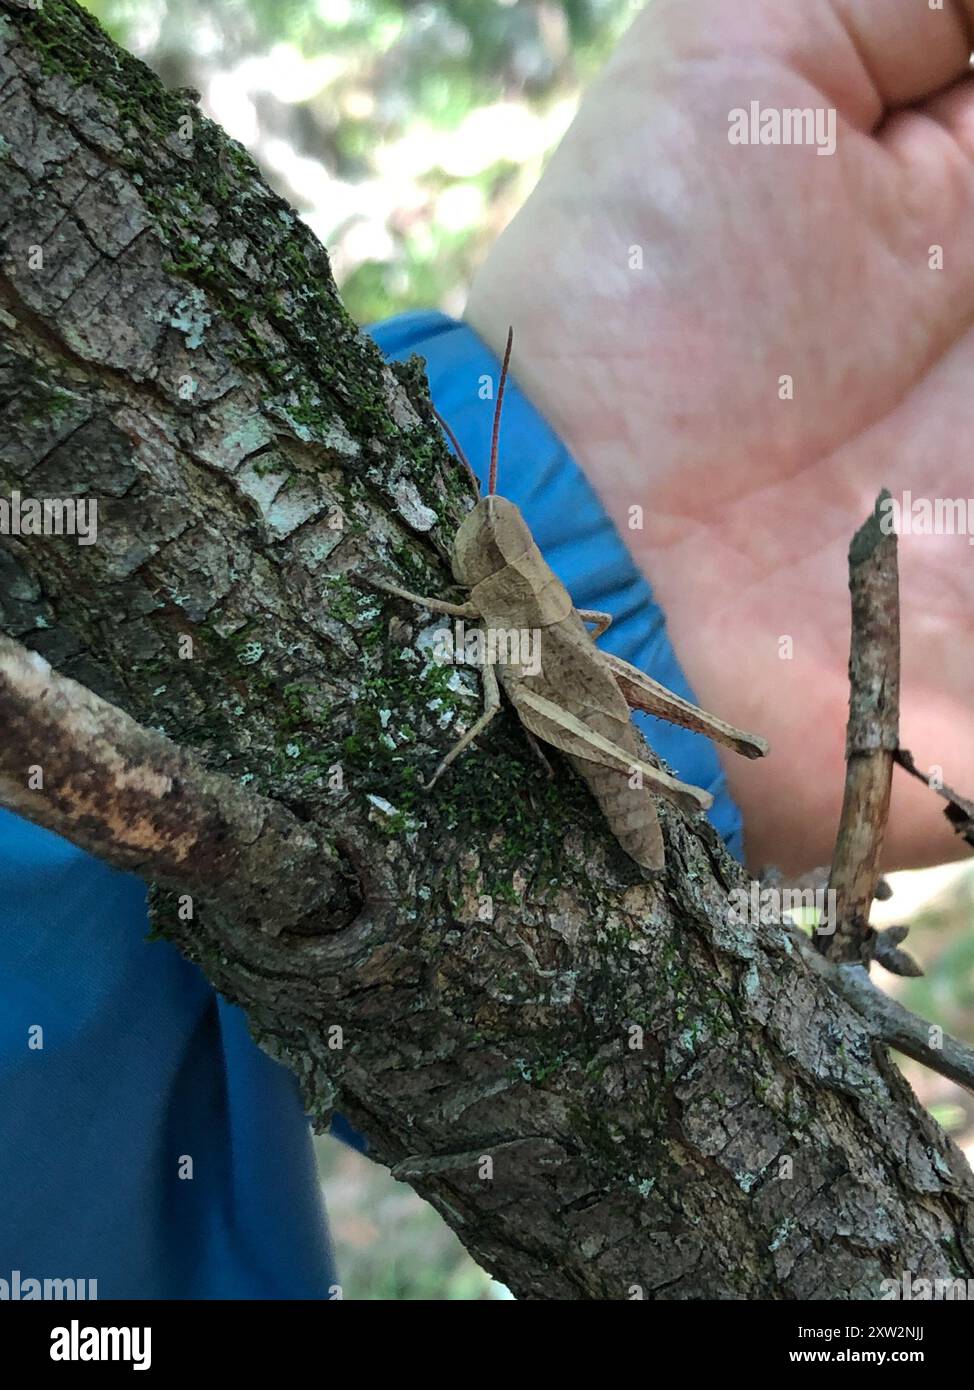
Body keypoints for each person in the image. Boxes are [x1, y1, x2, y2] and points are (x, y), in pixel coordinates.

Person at [2, 0, 971, 1298]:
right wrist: (574, 476)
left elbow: (506, 658)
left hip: (602, 725)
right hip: (577, 680)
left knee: (585, 703)